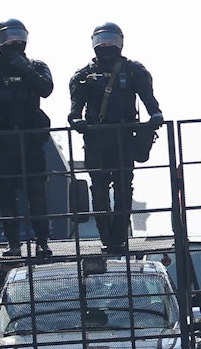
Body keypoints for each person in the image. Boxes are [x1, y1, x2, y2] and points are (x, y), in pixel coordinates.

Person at [68, 22, 164, 254]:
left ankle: (119, 236)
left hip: (123, 138)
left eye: (111, 39)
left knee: (123, 187)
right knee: (98, 190)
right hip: (96, 140)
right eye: (102, 40)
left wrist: (155, 115)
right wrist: (77, 121)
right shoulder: (83, 75)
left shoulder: (133, 71)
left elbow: (150, 100)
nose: (107, 45)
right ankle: (106, 237)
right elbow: (74, 110)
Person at [0, 19, 57, 257]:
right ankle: (13, 243)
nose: (15, 42)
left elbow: (46, 89)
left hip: (30, 141)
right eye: (9, 38)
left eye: (19, 37)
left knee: (37, 193)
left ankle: (42, 242)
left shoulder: (36, 67)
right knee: (6, 195)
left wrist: (25, 70)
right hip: (3, 142)